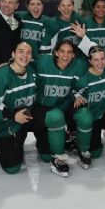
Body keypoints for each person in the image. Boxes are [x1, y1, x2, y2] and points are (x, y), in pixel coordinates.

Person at [30, 40, 86, 176]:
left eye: (69, 52)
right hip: (43, 109)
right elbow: (24, 62)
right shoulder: (43, 62)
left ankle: (64, 149)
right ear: (56, 52)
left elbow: (95, 64)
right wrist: (8, 63)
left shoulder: (77, 65)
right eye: (62, 51)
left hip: (62, 108)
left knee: (82, 112)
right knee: (44, 155)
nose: (65, 55)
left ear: (73, 55)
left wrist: (78, 95)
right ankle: (50, 139)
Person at [0, 41, 38, 174]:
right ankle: (6, 142)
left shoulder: (32, 71)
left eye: (28, 52)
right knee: (12, 168)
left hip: (26, 118)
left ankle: (43, 145)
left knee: (50, 117)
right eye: (21, 51)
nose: (25, 55)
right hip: (5, 125)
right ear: (13, 54)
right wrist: (12, 115)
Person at [0, 0, 23, 69]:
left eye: (10, 2)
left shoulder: (18, 21)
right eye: (3, 1)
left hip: (14, 66)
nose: (6, 5)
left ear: (17, 6)